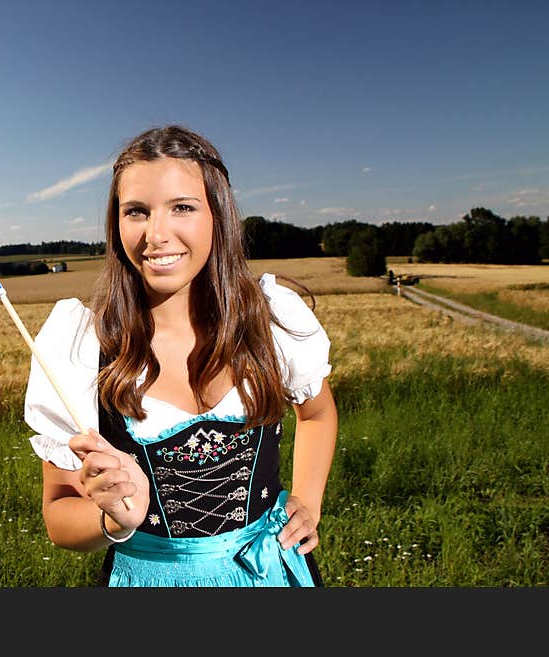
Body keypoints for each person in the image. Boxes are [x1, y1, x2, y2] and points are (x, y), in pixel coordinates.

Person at [24, 125, 337, 587]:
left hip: (268, 570)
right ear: (116, 224)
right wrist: (114, 521)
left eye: (183, 208)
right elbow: (59, 514)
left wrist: (308, 501)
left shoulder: (269, 322)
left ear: (218, 216)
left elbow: (316, 413)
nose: (156, 234)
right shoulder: (83, 347)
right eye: (136, 212)